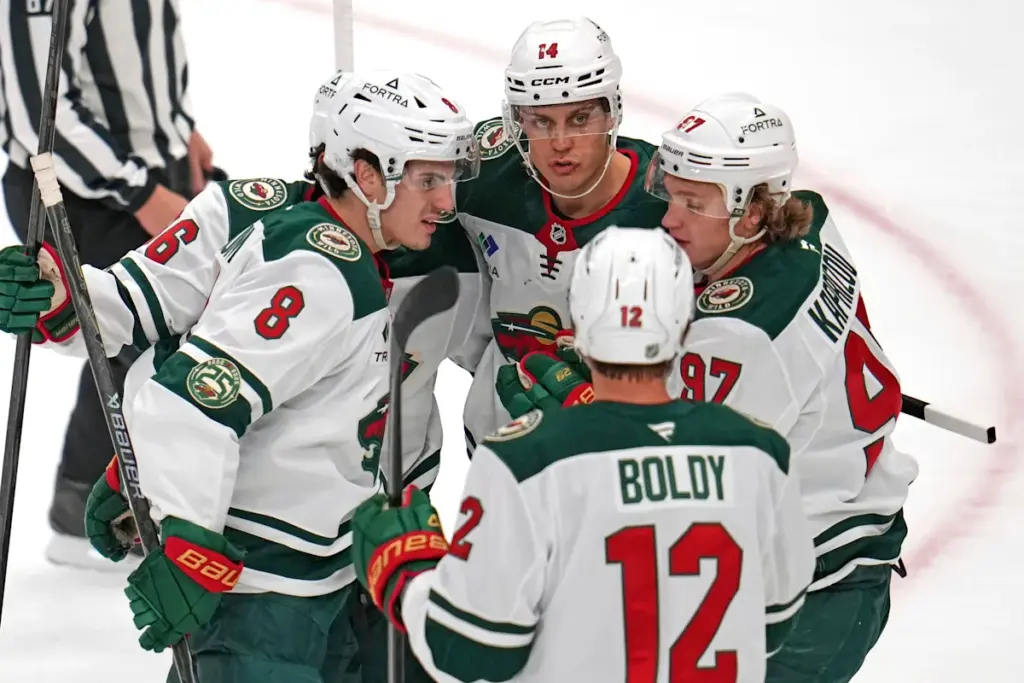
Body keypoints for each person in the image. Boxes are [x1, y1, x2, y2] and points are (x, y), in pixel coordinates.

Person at [6, 70, 480, 682]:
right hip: (267, 597)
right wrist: (190, 547)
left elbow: (144, 321)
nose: (447, 202)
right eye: (428, 180)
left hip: (338, 575)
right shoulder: (324, 274)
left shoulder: (257, 209)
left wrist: (62, 298)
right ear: (368, 175)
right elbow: (192, 402)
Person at [499, 92, 920, 683]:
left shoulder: (741, 334)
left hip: (813, 593)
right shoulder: (806, 216)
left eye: (693, 204)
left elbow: (676, 480)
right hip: (823, 536)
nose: (669, 220)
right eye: (671, 196)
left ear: (751, 213)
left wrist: (588, 406)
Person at [349, 226, 815, 683]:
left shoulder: (528, 460)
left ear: (580, 321)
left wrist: (407, 571)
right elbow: (773, 623)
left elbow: (471, 650)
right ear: (684, 324)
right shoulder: (761, 453)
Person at [0, 0, 215, 567]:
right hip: (80, 190)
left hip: (145, 171)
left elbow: (134, 52)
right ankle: (85, 508)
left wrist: (178, 131)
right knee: (133, 327)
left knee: (183, 320)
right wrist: (141, 193)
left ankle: (148, 495)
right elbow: (38, 114)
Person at [450, 16, 668, 455]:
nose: (561, 142)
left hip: (622, 453)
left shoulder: (670, 208)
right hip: (501, 447)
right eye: (541, 122)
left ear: (612, 112)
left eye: (580, 118)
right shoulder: (480, 178)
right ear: (517, 121)